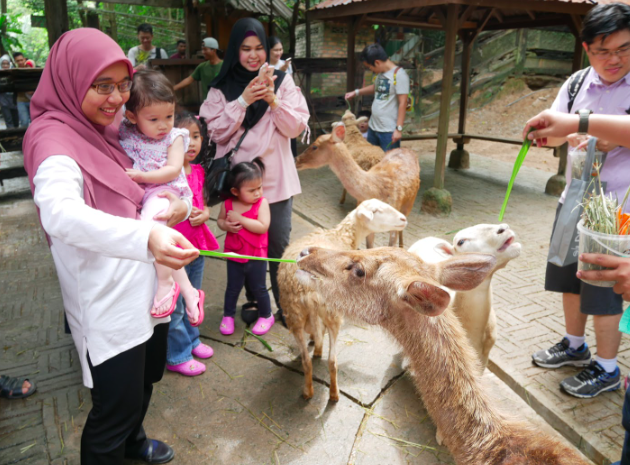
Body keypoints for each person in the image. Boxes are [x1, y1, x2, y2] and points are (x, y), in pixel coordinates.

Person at [23, 28, 198, 463]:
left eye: (123, 85)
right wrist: (148, 235)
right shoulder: (54, 140)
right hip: (108, 304)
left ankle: (135, 444)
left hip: (148, 289)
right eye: (102, 86)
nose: (118, 99)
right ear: (70, 80)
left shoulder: (106, 128)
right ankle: (121, 443)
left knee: (146, 381)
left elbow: (155, 177)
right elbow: (60, 212)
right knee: (111, 413)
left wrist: (179, 205)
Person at [527, 3, 630, 399]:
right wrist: (549, 133)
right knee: (571, 277)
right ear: (587, 49)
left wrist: (588, 126)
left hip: (617, 209)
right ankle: (574, 345)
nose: (614, 59)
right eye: (603, 51)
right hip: (575, 198)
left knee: (604, 288)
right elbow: (555, 131)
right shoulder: (575, 84)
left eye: (624, 48)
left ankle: (606, 367)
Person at [200, 18, 309, 327]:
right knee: (245, 246)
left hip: (275, 181)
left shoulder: (282, 81)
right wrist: (244, 100)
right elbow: (214, 134)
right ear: (235, 50)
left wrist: (272, 99)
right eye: (245, 49)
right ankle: (254, 299)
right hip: (240, 185)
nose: (253, 55)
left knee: (277, 245)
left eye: (259, 48)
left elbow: (295, 127)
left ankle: (285, 304)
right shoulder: (220, 89)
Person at [120, 69, 205, 324]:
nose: (164, 124)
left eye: (169, 116)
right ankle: (190, 292)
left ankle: (166, 283)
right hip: (147, 191)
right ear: (132, 116)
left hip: (165, 189)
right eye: (154, 119)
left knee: (151, 227)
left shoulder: (175, 136)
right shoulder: (126, 131)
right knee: (163, 243)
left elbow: (173, 169)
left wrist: (141, 176)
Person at [166, 111, 219, 376]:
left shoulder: (198, 170)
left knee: (194, 296)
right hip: (175, 252)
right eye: (184, 136)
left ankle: (193, 340)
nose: (192, 142)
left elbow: (203, 202)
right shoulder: (167, 172)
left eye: (196, 136)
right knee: (175, 304)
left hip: (196, 247)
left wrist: (206, 213)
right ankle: (177, 355)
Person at [217, 159, 274, 336]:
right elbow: (219, 221)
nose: (258, 193)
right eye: (252, 190)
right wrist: (226, 226)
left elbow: (263, 226)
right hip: (235, 253)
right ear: (235, 191)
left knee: (259, 287)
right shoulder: (227, 204)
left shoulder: (261, 203)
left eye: (259, 187)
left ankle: (266, 315)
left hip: (256, 254)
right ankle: (228, 315)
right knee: (233, 287)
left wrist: (240, 219)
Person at [344, 43, 409, 152]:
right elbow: (376, 87)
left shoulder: (400, 75)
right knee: (372, 162)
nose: (370, 69)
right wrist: (356, 92)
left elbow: (403, 103)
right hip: (373, 128)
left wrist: (398, 129)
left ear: (377, 62)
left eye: (369, 67)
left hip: (388, 131)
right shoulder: (381, 73)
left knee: (388, 165)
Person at [13, 52, 32, 127]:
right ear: (15, 62)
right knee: (24, 122)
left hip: (33, 100)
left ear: (24, 59)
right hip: (21, 100)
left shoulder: (32, 69)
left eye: (21, 60)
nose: (20, 62)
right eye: (18, 61)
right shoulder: (13, 72)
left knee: (35, 121)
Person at [0, 56, 17, 129]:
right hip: (3, 100)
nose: (5, 66)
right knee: (8, 118)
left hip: (13, 99)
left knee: (15, 118)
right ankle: (12, 137)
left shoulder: (14, 73)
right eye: (3, 64)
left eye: (7, 64)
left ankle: (17, 134)